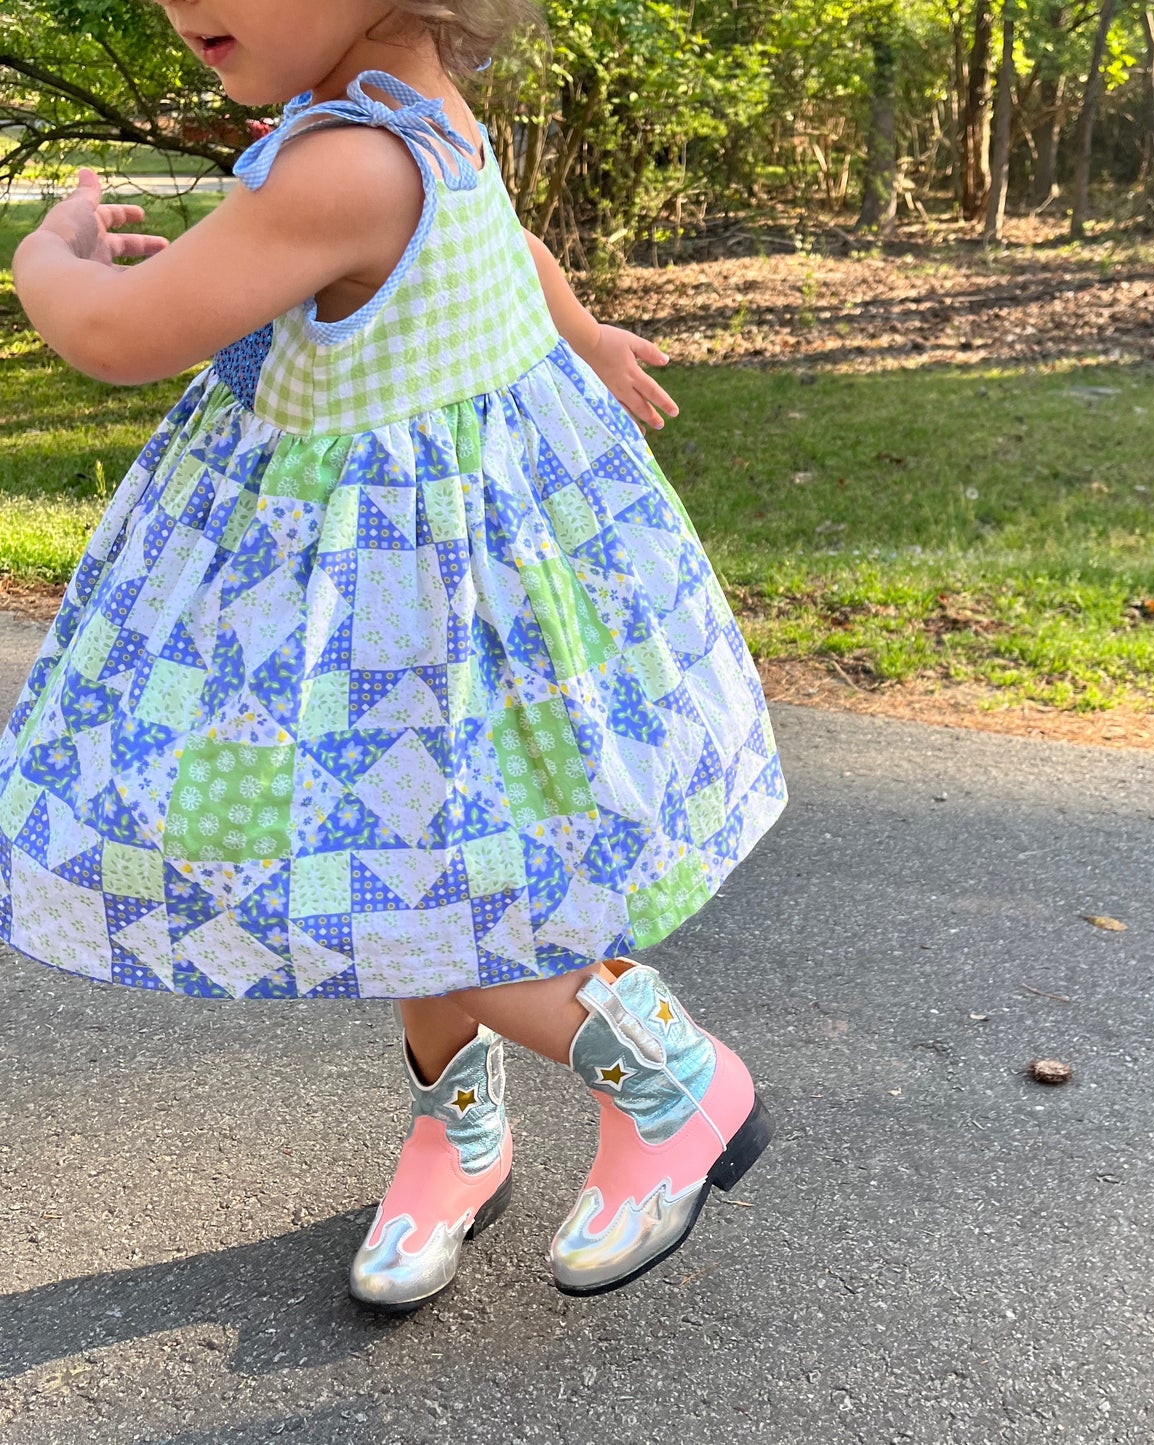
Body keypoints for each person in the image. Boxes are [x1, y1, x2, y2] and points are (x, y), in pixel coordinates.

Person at [6, 0, 786, 1313]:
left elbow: (116, 333)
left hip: (396, 611)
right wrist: (576, 327)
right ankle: (456, 1133)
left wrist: (47, 255)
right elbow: (507, 241)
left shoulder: (343, 168)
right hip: (419, 609)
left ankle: (672, 1082)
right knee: (422, 866)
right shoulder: (419, 121)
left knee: (421, 895)